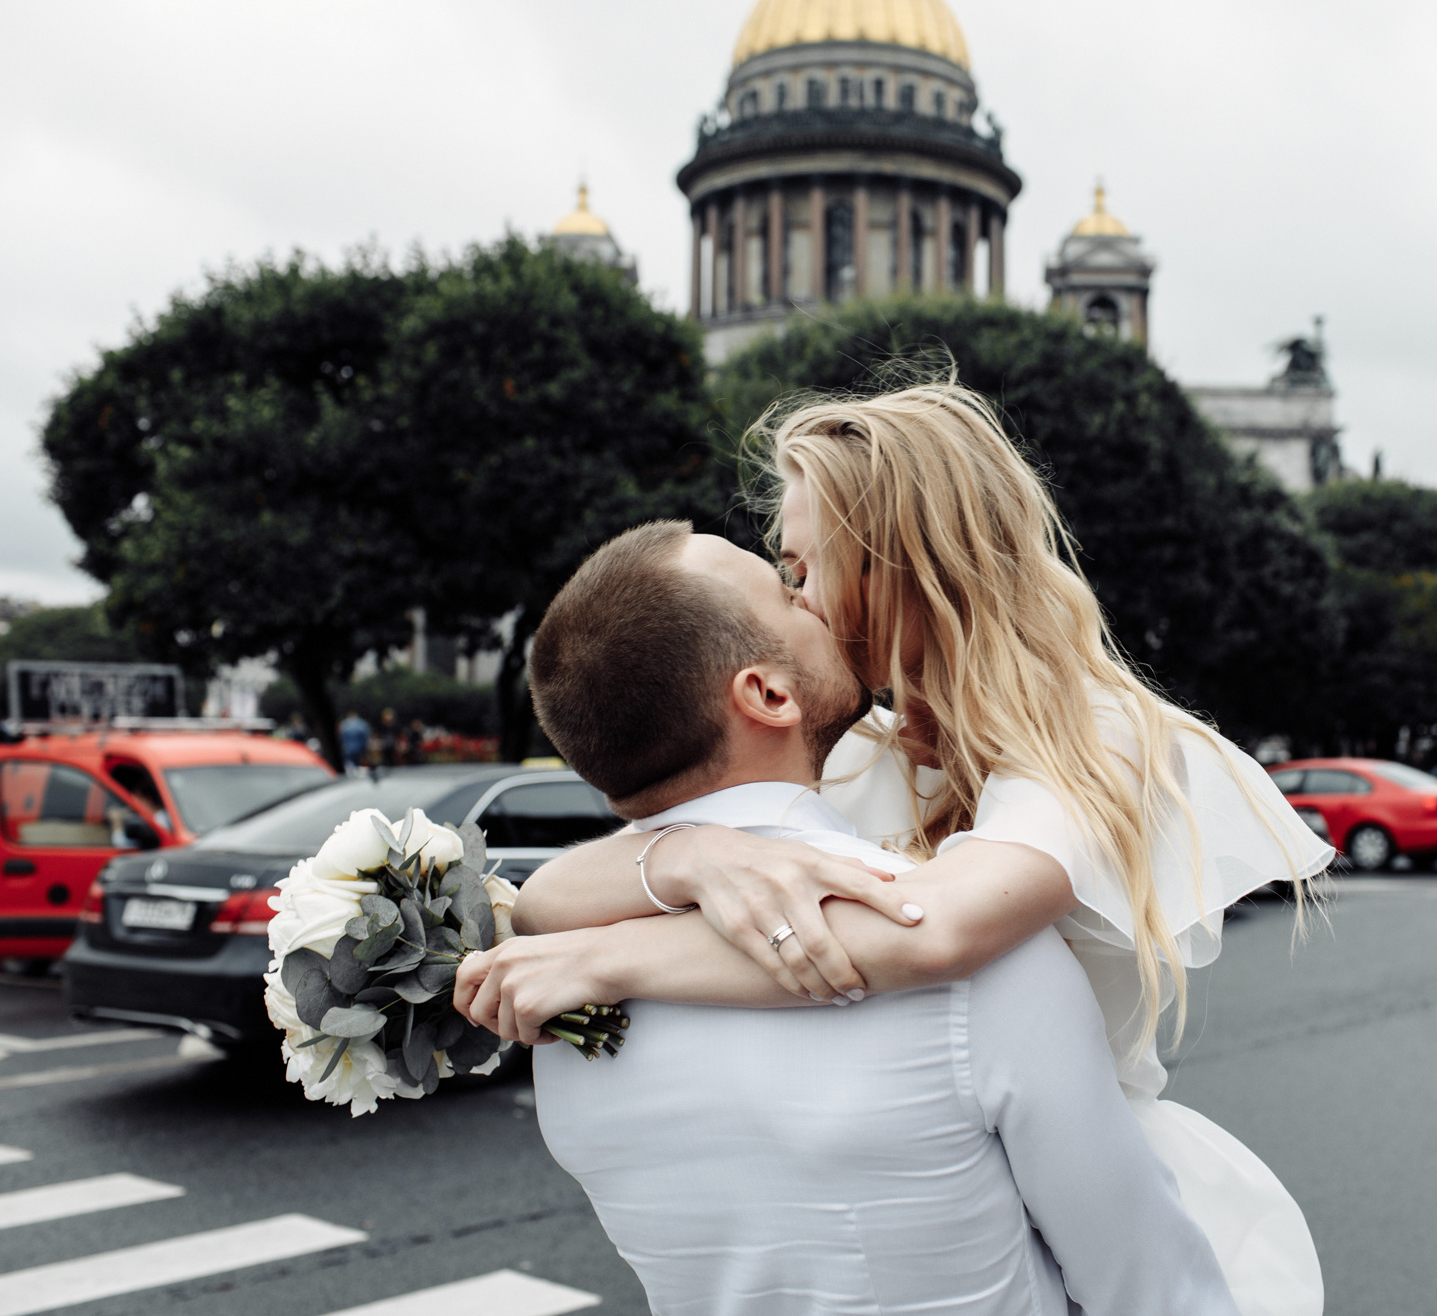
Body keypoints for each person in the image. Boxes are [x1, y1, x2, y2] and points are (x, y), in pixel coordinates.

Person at [500, 382, 1334, 1315]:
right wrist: (689, 858)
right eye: (787, 576)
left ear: (903, 566)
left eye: (803, 570)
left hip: (1085, 1193)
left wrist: (607, 954)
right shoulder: (855, 748)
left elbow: (934, 933)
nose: (802, 599)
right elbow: (551, 892)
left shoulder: (1094, 735)